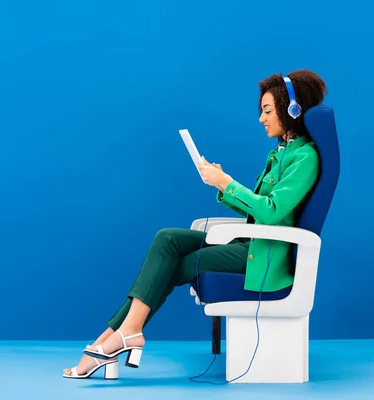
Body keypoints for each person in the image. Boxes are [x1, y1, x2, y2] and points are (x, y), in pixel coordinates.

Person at [62, 69, 328, 379]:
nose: (261, 118)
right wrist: (220, 185)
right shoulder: (282, 153)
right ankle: (120, 336)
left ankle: (109, 342)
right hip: (252, 244)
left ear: (292, 110)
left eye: (267, 110)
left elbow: (270, 213)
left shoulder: (304, 158)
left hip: (264, 257)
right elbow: (259, 211)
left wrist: (227, 182)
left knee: (174, 265)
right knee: (168, 239)